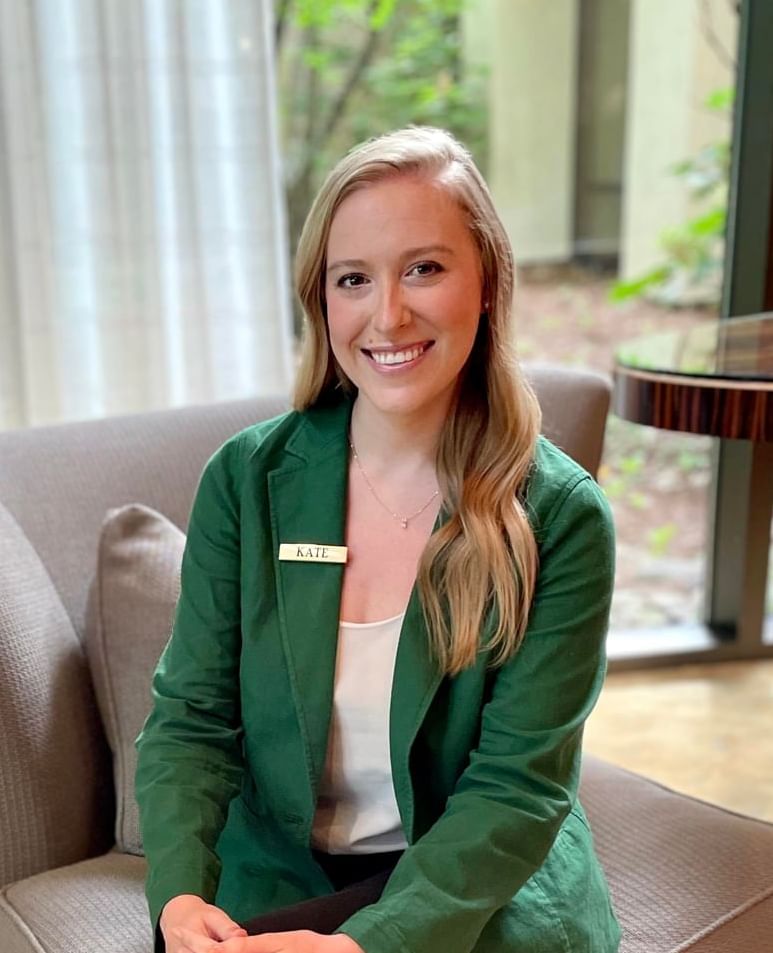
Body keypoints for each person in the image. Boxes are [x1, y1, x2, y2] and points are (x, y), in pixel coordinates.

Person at [135, 125, 620, 953]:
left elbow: (516, 787)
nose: (386, 314)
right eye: (352, 278)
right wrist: (179, 897)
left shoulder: (562, 518)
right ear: (321, 301)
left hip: (470, 885)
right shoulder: (245, 483)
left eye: (424, 268)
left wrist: (370, 945)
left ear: (488, 284)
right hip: (281, 875)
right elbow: (192, 720)